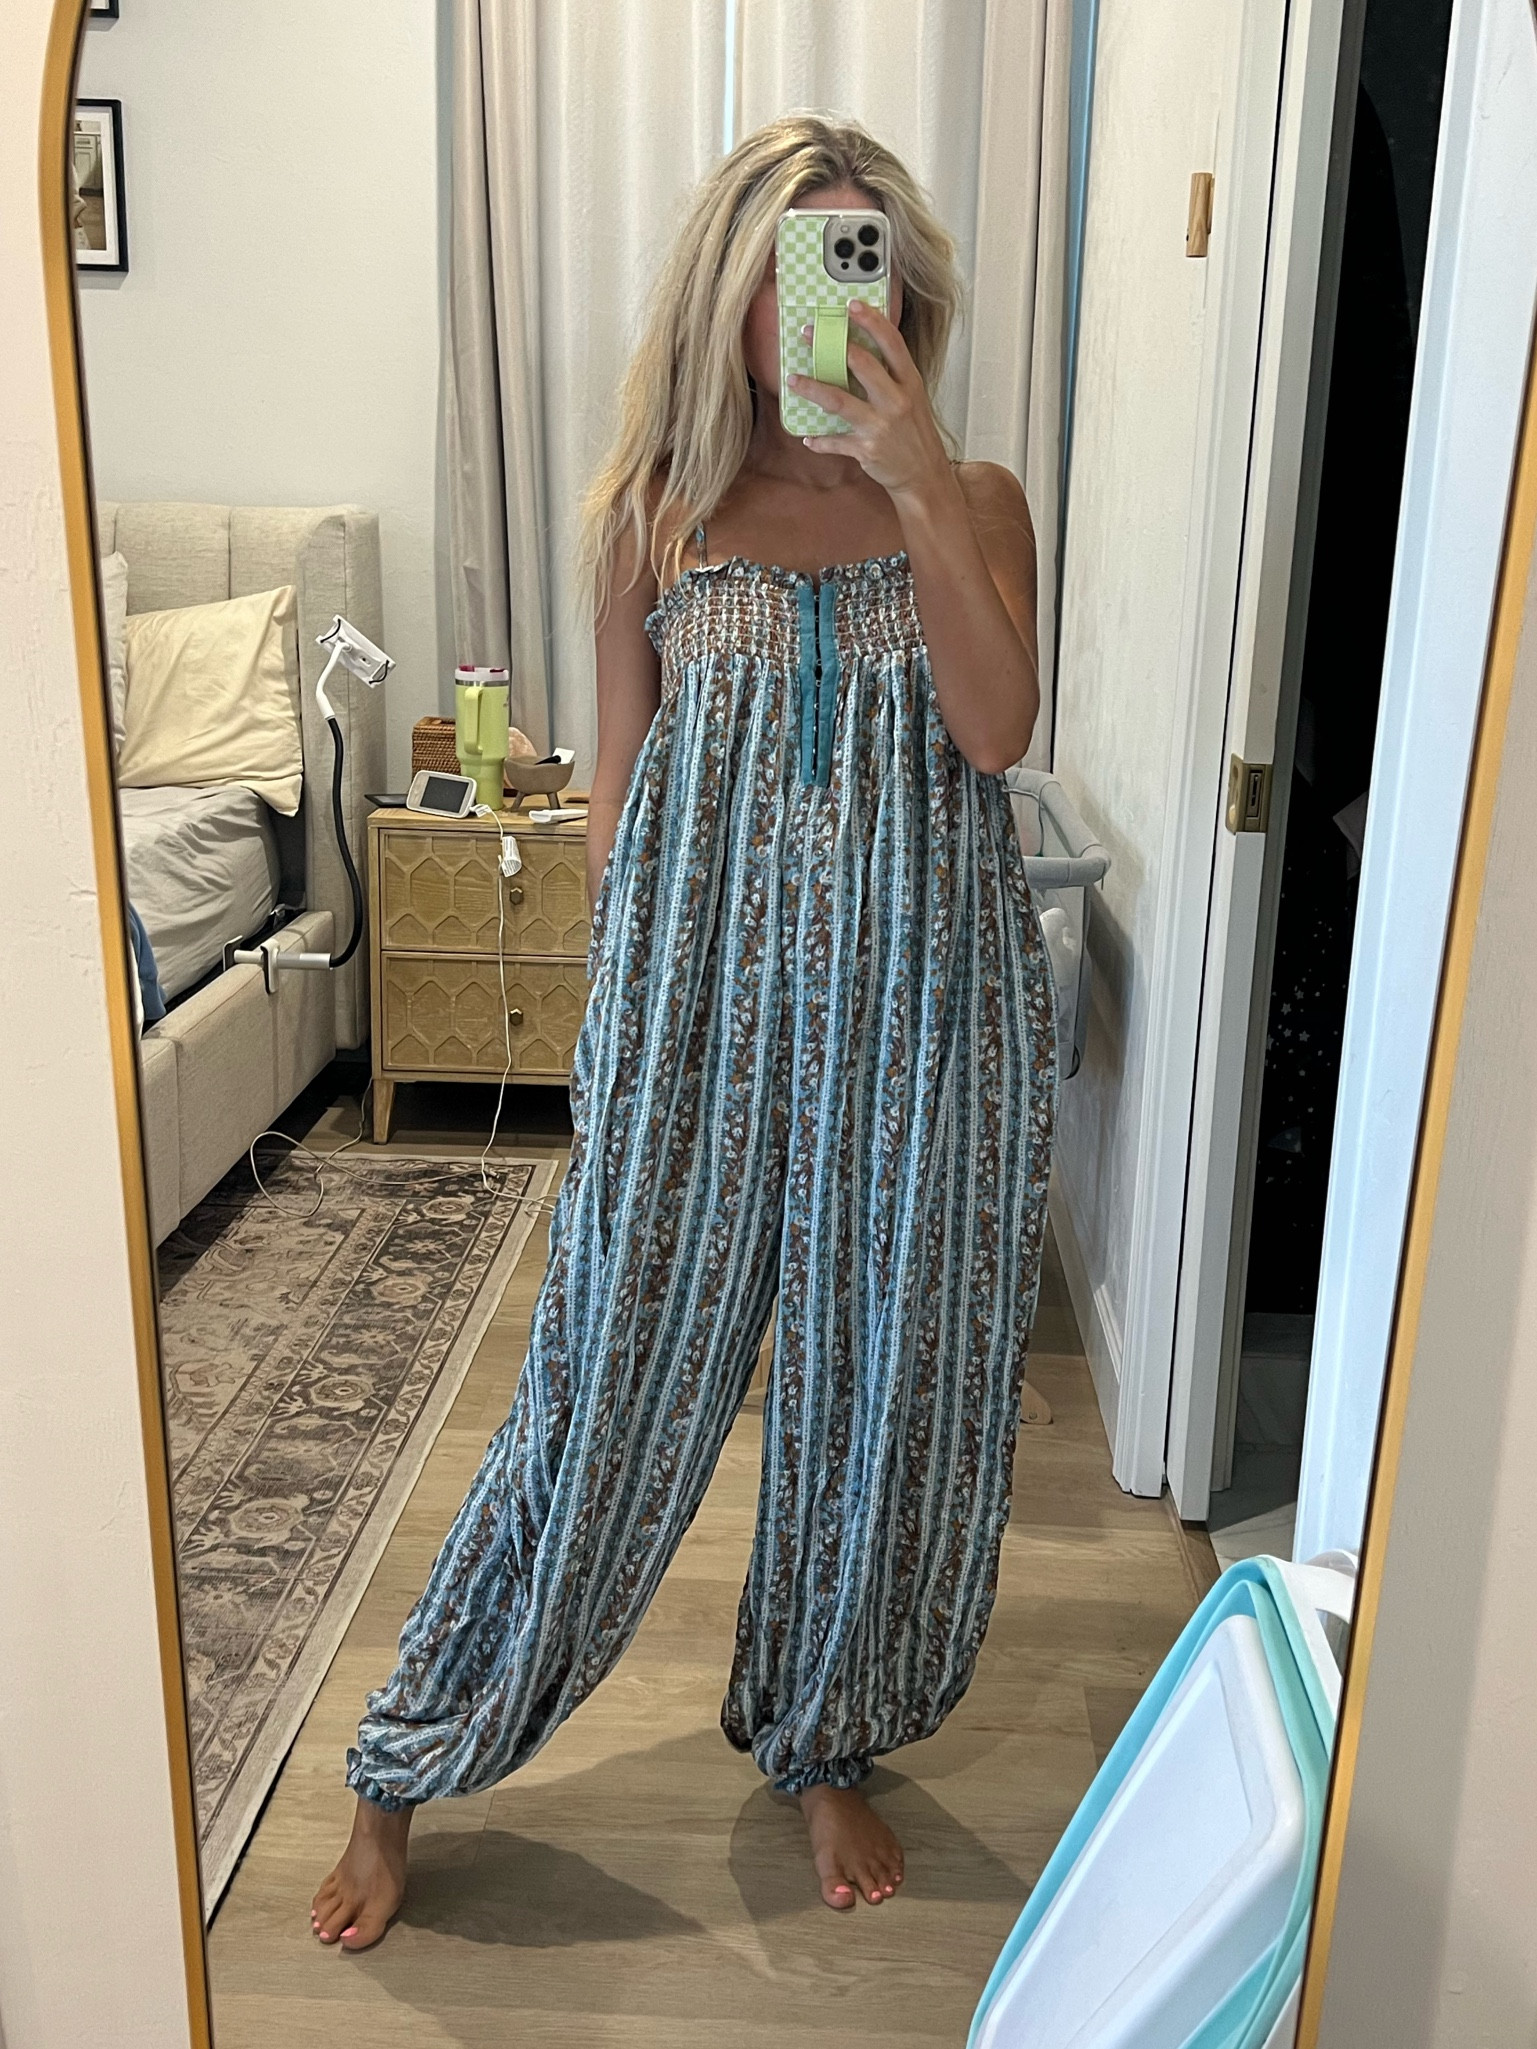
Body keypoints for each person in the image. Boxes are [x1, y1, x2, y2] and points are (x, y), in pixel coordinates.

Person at [312, 112, 1055, 1952]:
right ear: (731, 291)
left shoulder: (974, 501)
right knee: (603, 1381)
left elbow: (994, 733)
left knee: (885, 1395)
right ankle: (410, 1754)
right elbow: (623, 801)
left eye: (868, 259)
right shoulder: (651, 511)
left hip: (924, 1018)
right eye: (800, 260)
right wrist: (621, 1044)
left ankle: (821, 1734)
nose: (835, 298)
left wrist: (910, 481)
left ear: (908, 291)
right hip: (697, 1024)